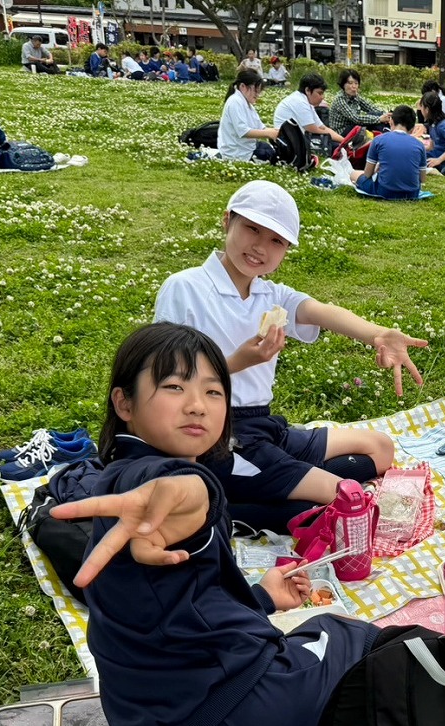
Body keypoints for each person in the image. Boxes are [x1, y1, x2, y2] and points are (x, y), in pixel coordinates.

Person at [51, 323, 445, 726]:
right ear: (124, 403)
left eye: (213, 391)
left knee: (315, 640)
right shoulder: (156, 485)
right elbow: (178, 490)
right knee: (383, 645)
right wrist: (192, 493)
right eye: (174, 387)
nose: (197, 404)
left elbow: (183, 606)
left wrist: (262, 598)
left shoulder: (116, 482)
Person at [154, 180, 426, 507]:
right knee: (338, 498)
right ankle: (253, 491)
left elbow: (320, 312)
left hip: (264, 426)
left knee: (381, 448)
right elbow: (166, 379)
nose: (260, 247)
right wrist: (238, 362)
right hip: (216, 433)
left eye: (276, 240)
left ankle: (268, 484)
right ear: (227, 221)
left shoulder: (272, 294)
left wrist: (377, 334)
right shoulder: (185, 288)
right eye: (252, 229)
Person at [348, 105, 427, 200]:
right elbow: (422, 179)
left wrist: (377, 170)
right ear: (412, 127)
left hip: (384, 191)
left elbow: (367, 174)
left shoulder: (378, 140)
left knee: (354, 174)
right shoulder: (419, 145)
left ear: (391, 121)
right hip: (412, 193)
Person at [218, 69, 281, 163]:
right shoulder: (234, 102)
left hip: (248, 147)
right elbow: (243, 131)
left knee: (273, 152)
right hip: (238, 153)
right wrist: (269, 134)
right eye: (255, 91)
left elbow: (261, 127)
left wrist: (278, 132)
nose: (258, 95)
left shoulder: (246, 103)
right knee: (271, 156)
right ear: (243, 86)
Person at [272, 73, 344, 148]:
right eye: (320, 93)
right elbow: (312, 129)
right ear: (307, 90)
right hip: (289, 143)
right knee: (335, 147)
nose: (322, 97)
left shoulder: (306, 102)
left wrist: (343, 140)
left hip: (298, 139)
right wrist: (343, 141)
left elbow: (322, 127)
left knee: (337, 145)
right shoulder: (299, 101)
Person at [328, 68, 391, 140]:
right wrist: (379, 119)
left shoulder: (355, 96)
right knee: (373, 121)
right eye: (350, 83)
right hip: (342, 132)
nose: (354, 86)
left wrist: (386, 115)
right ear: (343, 85)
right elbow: (355, 118)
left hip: (353, 126)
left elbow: (370, 107)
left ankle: (387, 135)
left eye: (356, 83)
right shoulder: (340, 99)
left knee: (375, 114)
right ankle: (386, 137)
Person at [420, 90, 445, 175]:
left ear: (427, 109)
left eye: (421, 106)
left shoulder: (442, 126)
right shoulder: (432, 124)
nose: (420, 109)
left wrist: (439, 160)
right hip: (437, 153)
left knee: (418, 160)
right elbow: (433, 145)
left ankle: (444, 167)